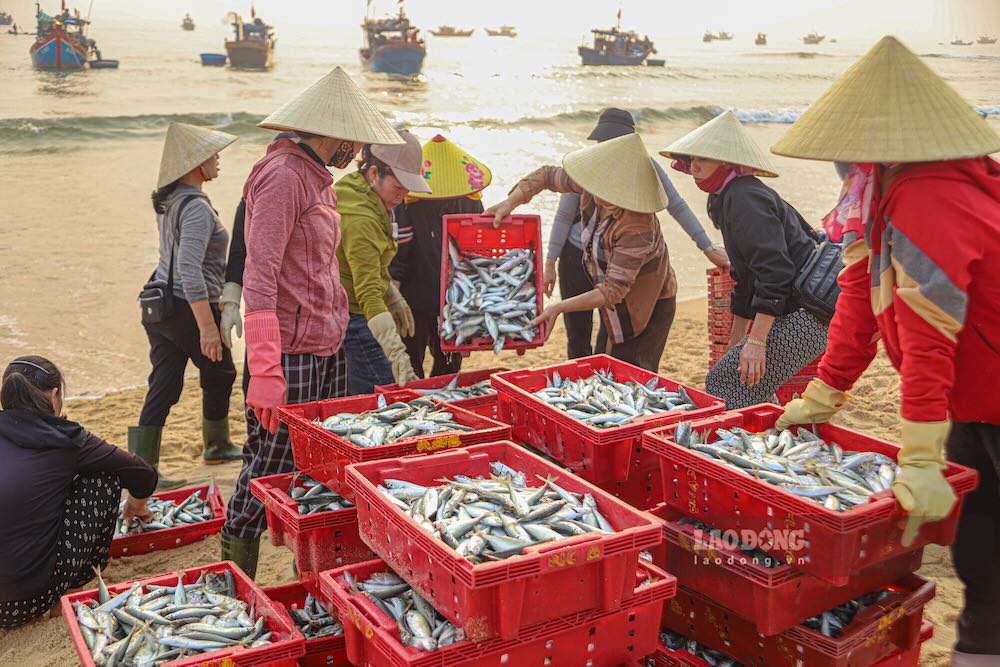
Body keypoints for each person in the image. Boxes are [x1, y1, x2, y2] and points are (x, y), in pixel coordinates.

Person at [770, 36, 1000, 667]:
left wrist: (921, 452)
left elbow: (930, 334)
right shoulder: (880, 201)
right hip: (974, 405)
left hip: (981, 396)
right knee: (982, 562)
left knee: (989, 565)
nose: (842, 164)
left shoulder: (931, 198)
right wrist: (823, 392)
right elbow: (855, 300)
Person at [221, 67, 404, 577]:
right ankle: (237, 568)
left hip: (326, 345)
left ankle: (303, 564)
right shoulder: (282, 175)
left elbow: (319, 266)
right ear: (332, 132)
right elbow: (261, 273)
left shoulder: (316, 176)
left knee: (310, 461)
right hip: (290, 351)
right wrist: (264, 368)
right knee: (269, 462)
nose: (355, 151)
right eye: (352, 140)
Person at [662, 110, 828, 409]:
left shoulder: (745, 198)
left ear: (726, 162)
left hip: (810, 313)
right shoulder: (726, 196)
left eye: (704, 159)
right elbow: (745, 276)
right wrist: (736, 341)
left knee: (728, 384)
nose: (695, 166)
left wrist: (756, 341)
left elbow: (775, 273)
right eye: (692, 159)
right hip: (794, 306)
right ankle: (769, 430)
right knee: (736, 375)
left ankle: (762, 442)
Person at [544, 108, 728, 359]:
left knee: (612, 330)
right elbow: (564, 216)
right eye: (604, 143)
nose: (608, 148)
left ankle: (600, 374)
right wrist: (550, 262)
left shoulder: (644, 167)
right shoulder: (586, 166)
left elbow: (676, 205)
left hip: (614, 258)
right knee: (577, 334)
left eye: (614, 143)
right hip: (576, 257)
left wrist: (706, 247)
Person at [486, 132, 675, 372]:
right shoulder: (593, 183)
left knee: (629, 373)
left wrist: (558, 307)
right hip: (615, 294)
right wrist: (509, 203)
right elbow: (546, 175)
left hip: (646, 304)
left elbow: (613, 291)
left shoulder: (638, 226)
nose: (597, 192)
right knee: (605, 365)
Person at [0, 356, 157, 628]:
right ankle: (77, 582)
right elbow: (142, 473)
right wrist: (136, 504)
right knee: (104, 478)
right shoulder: (66, 439)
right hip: (23, 603)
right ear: (54, 395)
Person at [131, 122, 241, 491]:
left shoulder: (170, 200)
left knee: (163, 383)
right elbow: (189, 271)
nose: (218, 158)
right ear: (197, 164)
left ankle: (145, 470)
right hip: (186, 306)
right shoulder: (194, 206)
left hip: (159, 305)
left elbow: (174, 263)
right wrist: (208, 328)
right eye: (213, 153)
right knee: (222, 373)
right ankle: (217, 445)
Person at [336, 130, 430, 395]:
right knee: (381, 391)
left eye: (408, 187)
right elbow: (365, 291)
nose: (403, 194)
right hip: (355, 314)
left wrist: (391, 293)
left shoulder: (362, 189)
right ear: (374, 173)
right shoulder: (361, 218)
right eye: (398, 186)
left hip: (358, 306)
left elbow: (372, 265)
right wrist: (395, 350)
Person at [390, 134, 491, 377]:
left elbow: (400, 257)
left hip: (447, 299)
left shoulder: (411, 201)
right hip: (427, 298)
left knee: (436, 363)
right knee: (428, 362)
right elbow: (478, 254)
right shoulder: (409, 202)